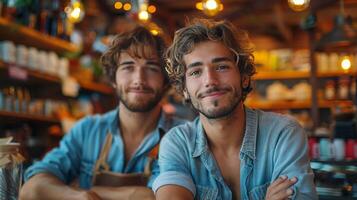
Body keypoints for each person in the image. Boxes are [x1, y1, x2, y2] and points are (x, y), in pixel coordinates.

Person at [153, 19, 318, 200]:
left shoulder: (283, 134)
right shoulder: (178, 144)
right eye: (195, 72)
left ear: (244, 77)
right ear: (184, 88)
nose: (210, 81)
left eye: (222, 67)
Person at [20, 26, 185, 200]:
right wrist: (77, 197)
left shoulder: (183, 136)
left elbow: (156, 198)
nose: (139, 80)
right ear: (113, 78)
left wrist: (76, 191)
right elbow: (31, 189)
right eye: (128, 67)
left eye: (151, 68)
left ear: (166, 81)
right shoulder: (87, 129)